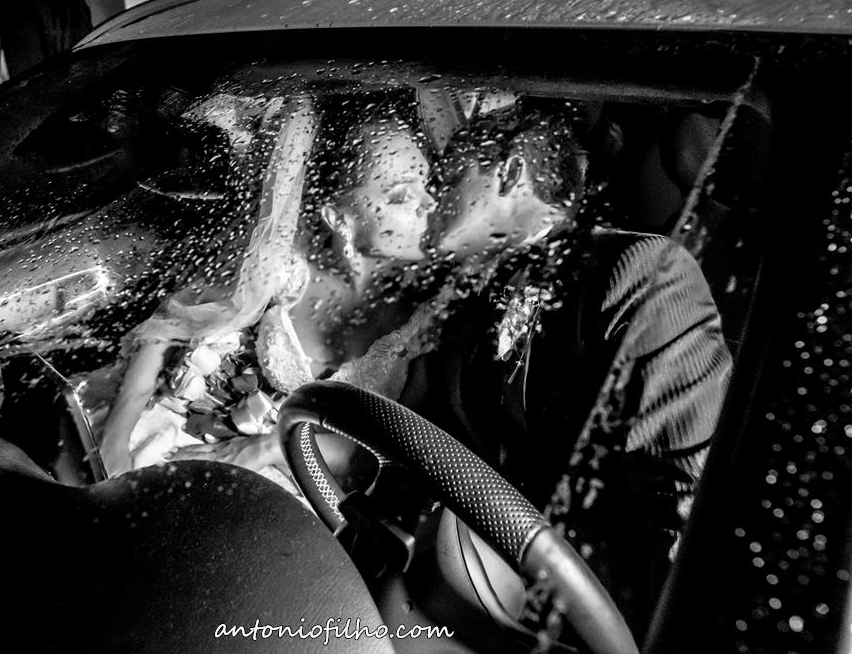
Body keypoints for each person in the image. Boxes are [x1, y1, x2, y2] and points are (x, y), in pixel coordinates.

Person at [405, 99, 733, 637]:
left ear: (509, 172)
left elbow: (686, 509)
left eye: (448, 175)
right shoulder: (462, 301)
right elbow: (426, 437)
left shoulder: (640, 271)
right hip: (470, 590)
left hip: (600, 620)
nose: (430, 193)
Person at [101, 90, 440, 478]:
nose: (430, 203)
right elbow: (171, 324)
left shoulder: (435, 314)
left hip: (311, 485)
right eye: (401, 195)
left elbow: (398, 451)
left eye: (427, 181)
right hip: (203, 439)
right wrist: (116, 438)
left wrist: (270, 447)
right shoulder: (284, 263)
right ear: (338, 217)